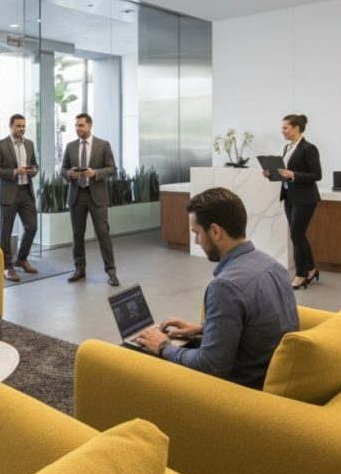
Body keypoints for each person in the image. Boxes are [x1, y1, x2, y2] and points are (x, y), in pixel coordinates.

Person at [136, 187, 299, 388]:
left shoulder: (226, 287)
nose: (196, 241)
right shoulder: (274, 266)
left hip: (239, 390)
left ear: (215, 231)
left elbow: (211, 367)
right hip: (264, 373)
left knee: (140, 361)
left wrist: (163, 346)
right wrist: (203, 329)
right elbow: (257, 329)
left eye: (197, 233)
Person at [61, 113, 120, 286]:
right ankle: (79, 269)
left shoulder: (103, 145)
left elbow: (112, 168)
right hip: (77, 195)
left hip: (97, 196)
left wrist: (95, 173)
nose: (78, 129)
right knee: (77, 235)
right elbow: (63, 169)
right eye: (77, 126)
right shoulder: (70, 146)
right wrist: (68, 174)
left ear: (90, 126)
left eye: (81, 126)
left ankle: (111, 271)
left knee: (103, 234)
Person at [267, 113, 322, 290]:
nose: (282, 131)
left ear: (296, 128)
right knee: (299, 235)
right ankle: (312, 269)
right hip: (289, 196)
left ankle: (301, 275)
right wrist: (272, 174)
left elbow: (317, 175)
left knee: (296, 235)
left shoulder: (309, 148)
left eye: (285, 128)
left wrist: (294, 175)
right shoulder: (287, 148)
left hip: (306, 198)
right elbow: (285, 173)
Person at [0, 113, 39, 282]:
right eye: (18, 126)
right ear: (11, 127)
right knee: (6, 231)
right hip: (8, 193)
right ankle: (7, 266)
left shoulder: (30, 144)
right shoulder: (1, 145)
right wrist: (14, 172)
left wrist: (33, 170)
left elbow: (35, 164)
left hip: (26, 191)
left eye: (23, 126)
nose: (21, 129)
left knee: (32, 227)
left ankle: (21, 259)